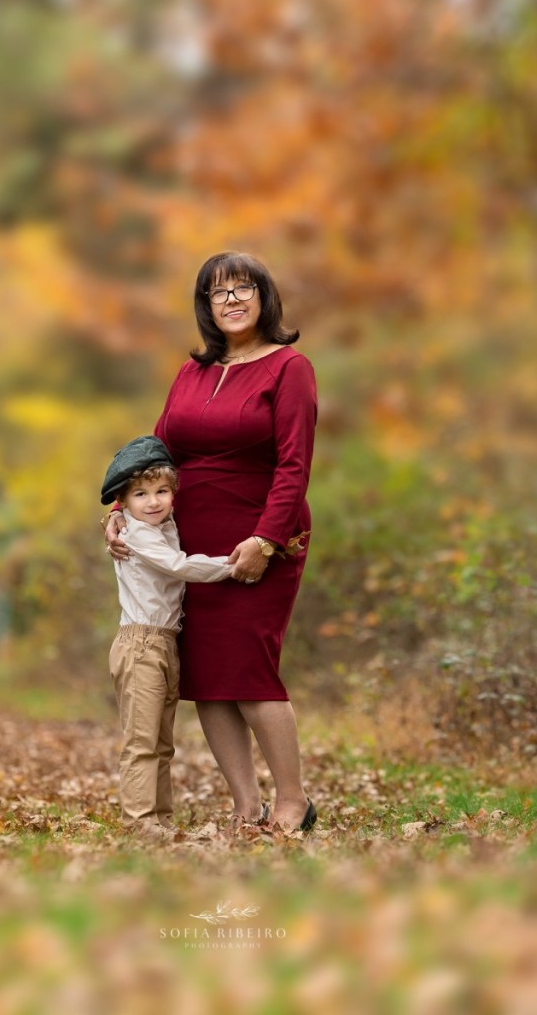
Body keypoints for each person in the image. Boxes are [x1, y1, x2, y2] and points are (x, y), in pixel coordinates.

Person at [104, 252, 317, 832]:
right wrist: (121, 511)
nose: (232, 299)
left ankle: (293, 800)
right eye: (219, 292)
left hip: (258, 534)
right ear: (206, 305)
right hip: (186, 546)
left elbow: (295, 465)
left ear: (264, 298)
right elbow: (154, 455)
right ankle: (248, 807)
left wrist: (267, 540)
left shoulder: (288, 368)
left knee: (250, 669)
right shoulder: (191, 371)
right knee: (208, 678)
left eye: (244, 288)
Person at [100, 434, 234, 840]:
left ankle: (159, 818)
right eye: (141, 494)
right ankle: (140, 822)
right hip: (140, 644)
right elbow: (178, 566)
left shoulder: (160, 524)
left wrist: (111, 516)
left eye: (162, 491)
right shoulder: (138, 535)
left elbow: (155, 517)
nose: (154, 501)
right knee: (142, 740)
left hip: (164, 642)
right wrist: (232, 566)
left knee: (162, 743)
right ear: (124, 501)